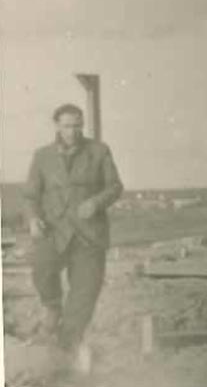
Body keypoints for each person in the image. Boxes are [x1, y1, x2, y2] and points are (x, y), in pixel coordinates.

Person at [23, 103, 123, 371]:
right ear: (57, 125)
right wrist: (33, 219)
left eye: (78, 125)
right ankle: (52, 308)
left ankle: (67, 343)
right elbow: (31, 196)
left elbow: (115, 186)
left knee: (85, 290)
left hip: (88, 233)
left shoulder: (99, 151)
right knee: (42, 268)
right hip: (54, 230)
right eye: (67, 126)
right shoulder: (42, 156)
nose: (73, 131)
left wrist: (96, 203)